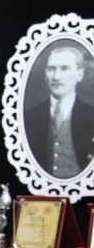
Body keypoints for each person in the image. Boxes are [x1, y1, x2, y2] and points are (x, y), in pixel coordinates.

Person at [24, 45, 94, 178]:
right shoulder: (28, 117)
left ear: (79, 75)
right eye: (51, 69)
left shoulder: (92, 115)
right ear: (45, 75)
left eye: (65, 68)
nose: (56, 77)